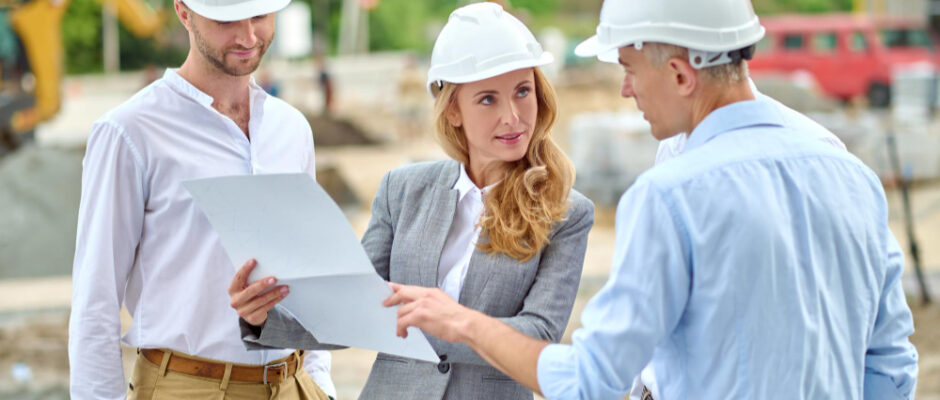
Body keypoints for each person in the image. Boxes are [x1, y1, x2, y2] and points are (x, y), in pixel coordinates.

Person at [383, 0, 920, 399]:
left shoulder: (673, 195)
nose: (625, 90)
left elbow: (593, 378)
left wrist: (464, 322)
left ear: (681, 74)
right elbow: (891, 365)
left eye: (629, 68)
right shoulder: (850, 173)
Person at [227, 3, 594, 399]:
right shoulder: (402, 190)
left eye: (523, 92)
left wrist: (452, 320)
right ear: (452, 108)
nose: (513, 116)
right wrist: (264, 318)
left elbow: (539, 337)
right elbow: (353, 310)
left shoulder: (566, 213)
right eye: (488, 99)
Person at [68, 0, 335, 399]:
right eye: (228, 20)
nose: (248, 36)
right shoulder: (130, 132)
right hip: (187, 388)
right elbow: (95, 301)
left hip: (295, 384)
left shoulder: (291, 129)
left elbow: (308, 277)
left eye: (259, 17)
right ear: (183, 11)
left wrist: (319, 382)